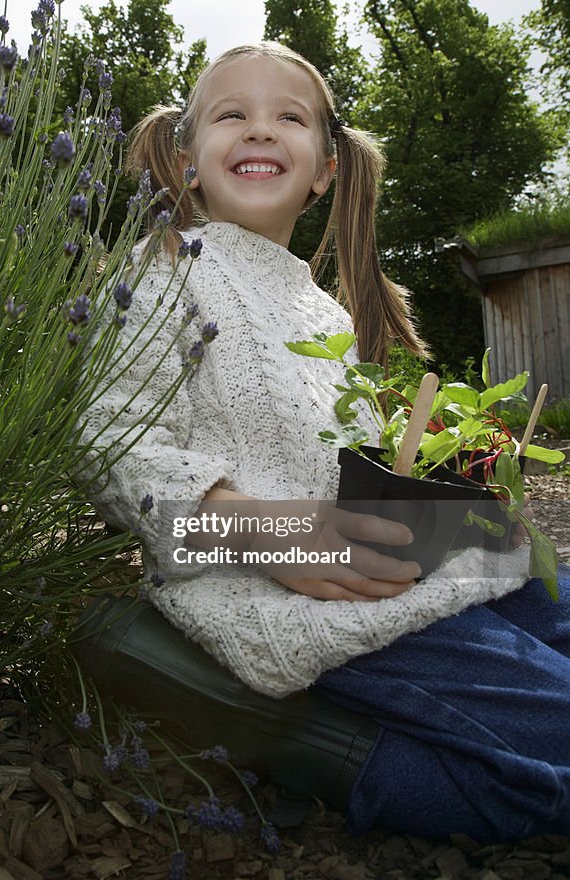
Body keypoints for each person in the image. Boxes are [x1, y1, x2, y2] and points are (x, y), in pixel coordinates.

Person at [79, 41, 570, 843]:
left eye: (289, 117)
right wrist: (268, 529)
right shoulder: (162, 268)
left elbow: (350, 471)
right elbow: (107, 443)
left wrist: (453, 480)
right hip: (298, 596)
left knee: (527, 577)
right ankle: (328, 750)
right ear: (187, 160)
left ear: (323, 169)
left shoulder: (326, 316)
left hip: (416, 568)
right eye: (231, 115)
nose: (259, 130)